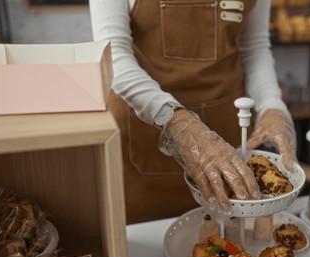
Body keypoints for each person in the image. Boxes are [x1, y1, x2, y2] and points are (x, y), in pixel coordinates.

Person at [89, 0, 297, 224]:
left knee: (225, 239)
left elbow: (254, 48)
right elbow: (112, 52)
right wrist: (175, 120)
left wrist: (272, 104)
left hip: (223, 129)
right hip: (146, 135)